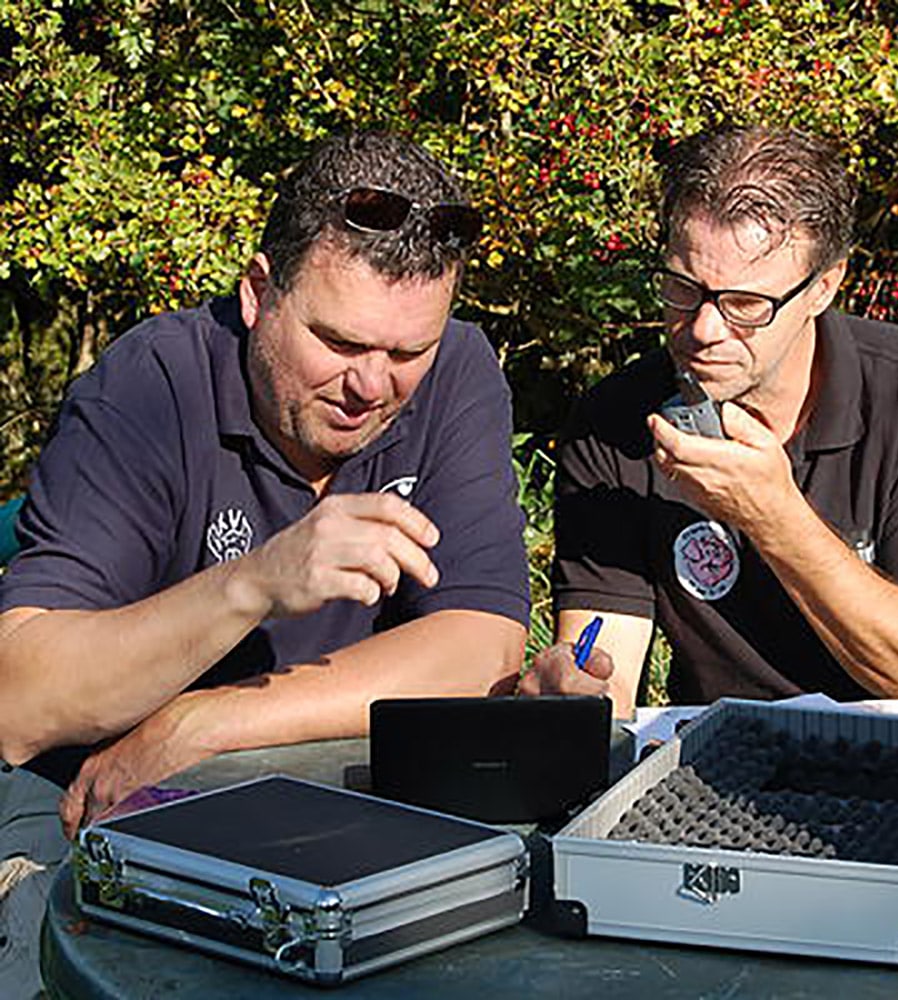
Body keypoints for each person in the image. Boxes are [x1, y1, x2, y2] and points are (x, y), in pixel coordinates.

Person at [0, 131, 528, 996]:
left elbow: (481, 644)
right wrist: (254, 584)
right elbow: (19, 703)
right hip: (82, 806)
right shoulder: (151, 384)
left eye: (406, 354)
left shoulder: (459, 370)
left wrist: (204, 723)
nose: (371, 386)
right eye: (338, 342)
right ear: (258, 293)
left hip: (320, 799)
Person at [520, 125, 898, 719]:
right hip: (715, 759)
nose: (703, 329)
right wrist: (575, 694)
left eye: (746, 304)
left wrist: (774, 516)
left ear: (824, 287)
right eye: (681, 288)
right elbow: (606, 668)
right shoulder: (616, 421)